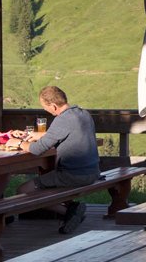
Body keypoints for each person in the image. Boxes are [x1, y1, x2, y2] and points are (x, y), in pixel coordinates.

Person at [16, 86, 100, 234]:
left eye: (45, 107)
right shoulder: (83, 113)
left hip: (73, 175)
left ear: (53, 106)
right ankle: (70, 210)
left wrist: (17, 143)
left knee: (23, 190)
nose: (45, 111)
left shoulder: (62, 119)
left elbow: (36, 150)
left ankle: (68, 211)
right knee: (47, 182)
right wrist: (41, 135)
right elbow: (63, 133)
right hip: (93, 172)